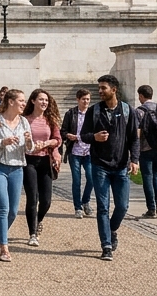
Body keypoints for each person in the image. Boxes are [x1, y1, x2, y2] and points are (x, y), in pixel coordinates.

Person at [81, 74, 141, 262]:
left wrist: (135, 159)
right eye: (99, 88)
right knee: (103, 207)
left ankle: (112, 229)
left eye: (103, 88)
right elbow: (83, 135)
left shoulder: (127, 111)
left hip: (121, 166)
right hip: (100, 166)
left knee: (123, 206)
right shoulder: (94, 111)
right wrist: (94, 137)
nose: (100, 91)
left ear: (114, 90)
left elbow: (134, 138)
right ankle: (106, 245)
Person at [0, 88, 33, 262]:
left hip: (18, 169)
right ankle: (4, 247)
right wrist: (2, 142)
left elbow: (30, 148)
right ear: (11, 102)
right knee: (3, 208)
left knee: (13, 211)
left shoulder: (24, 122)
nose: (24, 104)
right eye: (21, 101)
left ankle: (1, 234)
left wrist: (28, 142)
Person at [22, 89, 63, 247]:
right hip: (29, 160)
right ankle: (32, 233)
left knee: (46, 200)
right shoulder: (25, 120)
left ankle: (38, 219)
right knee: (33, 197)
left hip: (45, 160)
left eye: (46, 100)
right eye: (41, 99)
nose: (44, 102)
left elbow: (57, 140)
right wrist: (29, 143)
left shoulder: (50, 120)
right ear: (33, 101)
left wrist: (46, 144)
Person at [136, 85, 157, 218]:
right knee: (156, 175)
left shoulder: (139, 111)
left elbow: (136, 131)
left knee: (147, 177)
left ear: (141, 96)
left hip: (146, 148)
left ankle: (151, 209)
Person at [63, 88, 95, 218]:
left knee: (91, 178)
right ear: (78, 99)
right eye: (84, 99)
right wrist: (68, 135)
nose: (86, 101)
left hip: (89, 151)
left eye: (88, 99)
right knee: (76, 180)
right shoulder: (71, 114)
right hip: (75, 151)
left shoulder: (93, 113)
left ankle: (85, 201)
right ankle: (78, 207)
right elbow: (63, 131)